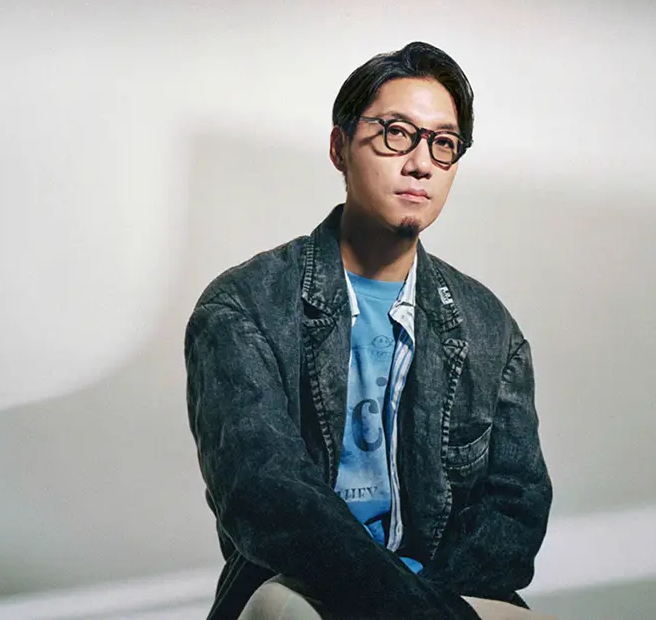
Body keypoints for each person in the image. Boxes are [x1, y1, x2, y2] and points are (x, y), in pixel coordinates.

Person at [184, 41, 553, 620]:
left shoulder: (488, 327)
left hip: (445, 595)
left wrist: (433, 605)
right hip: (305, 592)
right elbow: (267, 498)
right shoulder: (243, 309)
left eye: (443, 143)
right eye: (396, 134)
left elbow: (516, 508)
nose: (421, 163)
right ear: (340, 147)